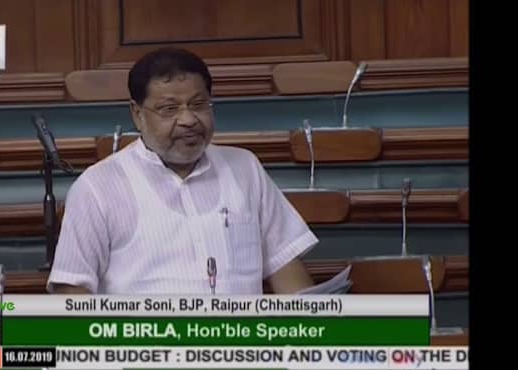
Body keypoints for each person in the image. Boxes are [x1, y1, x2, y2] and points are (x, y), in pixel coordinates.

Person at [47, 47, 318, 294]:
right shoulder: (98, 186)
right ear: (137, 114)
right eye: (169, 109)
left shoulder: (244, 168)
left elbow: (285, 266)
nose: (189, 120)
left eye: (199, 105)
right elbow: (72, 290)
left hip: (237, 333)